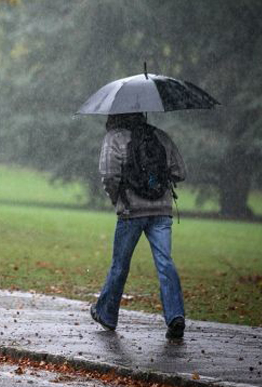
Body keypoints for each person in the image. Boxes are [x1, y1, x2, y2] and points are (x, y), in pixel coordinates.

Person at [90, 112, 187, 340]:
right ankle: (175, 316)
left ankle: (106, 314)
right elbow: (180, 172)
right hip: (161, 211)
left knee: (120, 265)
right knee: (165, 262)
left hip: (130, 211)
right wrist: (157, 180)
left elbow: (108, 174)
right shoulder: (160, 136)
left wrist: (118, 198)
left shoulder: (114, 138)